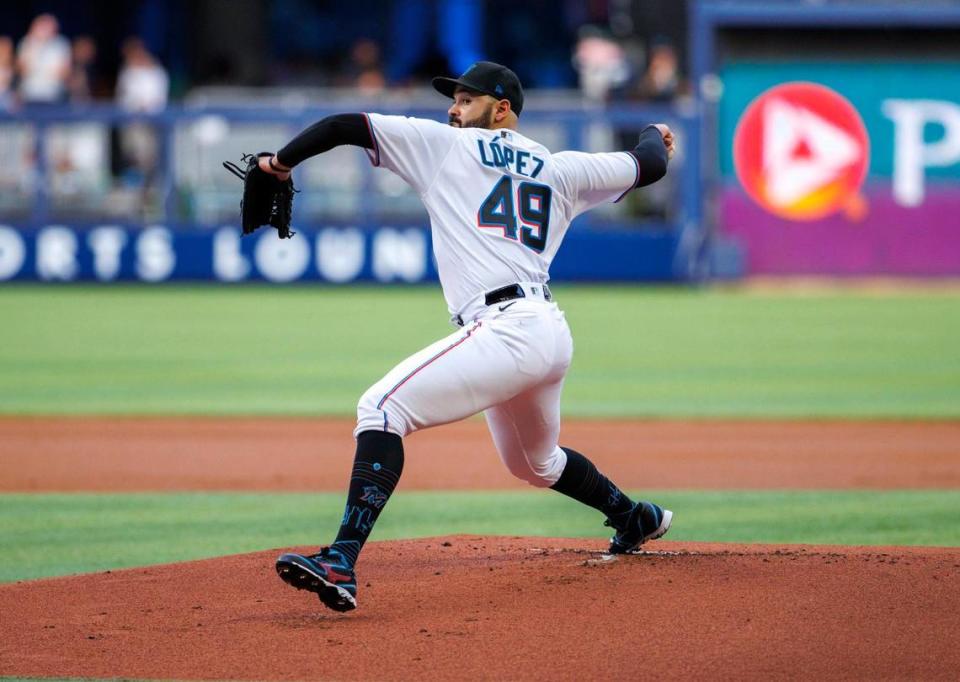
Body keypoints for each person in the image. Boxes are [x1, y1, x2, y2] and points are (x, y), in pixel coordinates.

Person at [262, 61, 676, 612]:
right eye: (452, 101)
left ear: (502, 109)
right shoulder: (561, 168)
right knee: (534, 464)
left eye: (466, 100)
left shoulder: (445, 147)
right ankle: (634, 516)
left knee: (381, 408)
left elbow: (343, 125)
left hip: (506, 331)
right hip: (547, 332)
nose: (453, 110)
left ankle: (340, 558)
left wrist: (279, 164)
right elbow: (648, 164)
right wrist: (656, 134)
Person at [15, 13, 70, 105]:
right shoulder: (26, 42)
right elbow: (22, 71)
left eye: (49, 27)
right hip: (29, 92)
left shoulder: (61, 44)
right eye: (42, 27)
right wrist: (35, 47)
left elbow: (64, 73)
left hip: (54, 93)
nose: (45, 30)